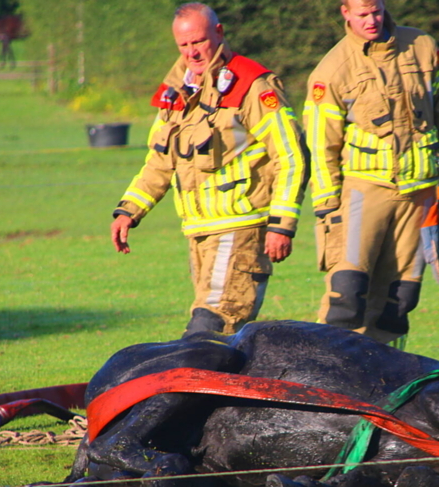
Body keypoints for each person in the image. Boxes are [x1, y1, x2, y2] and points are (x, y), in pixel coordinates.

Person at [110, 3, 308, 336]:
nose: (192, 52)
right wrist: (129, 210)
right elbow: (160, 161)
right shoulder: (175, 91)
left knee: (209, 327)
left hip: (241, 228)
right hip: (198, 232)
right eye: (184, 45)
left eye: (198, 42)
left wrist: (282, 225)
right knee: (220, 337)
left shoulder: (252, 85)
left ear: (218, 33)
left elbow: (291, 155)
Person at [303, 0, 439, 346]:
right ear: (345, 12)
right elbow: (321, 144)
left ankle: (383, 371)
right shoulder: (332, 69)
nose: (371, 20)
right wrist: (327, 206)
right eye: (362, 14)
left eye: (376, 11)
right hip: (362, 192)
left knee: (399, 299)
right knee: (347, 295)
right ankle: (325, 368)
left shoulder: (423, 47)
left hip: (420, 192)